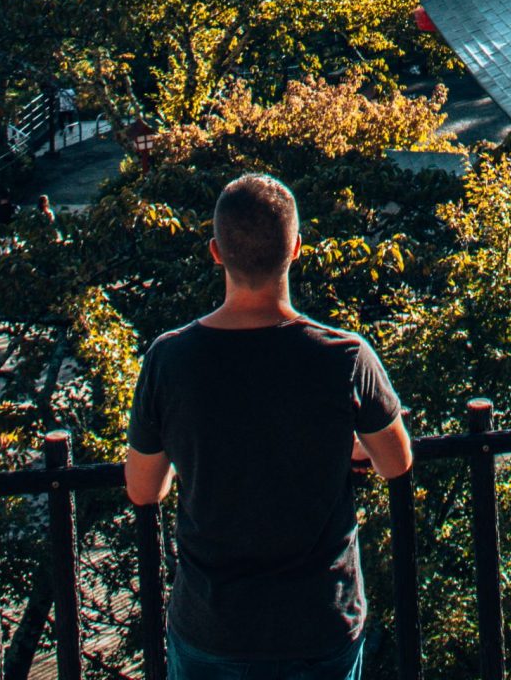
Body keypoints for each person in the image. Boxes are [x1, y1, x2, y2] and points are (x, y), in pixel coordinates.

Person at [124, 173, 411, 680]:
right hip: (317, 621)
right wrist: (336, 445)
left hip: (213, 623)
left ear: (216, 252)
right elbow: (396, 461)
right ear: (297, 248)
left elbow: (144, 490)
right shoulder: (345, 357)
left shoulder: (170, 360)